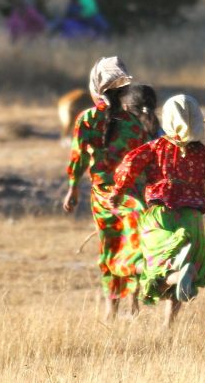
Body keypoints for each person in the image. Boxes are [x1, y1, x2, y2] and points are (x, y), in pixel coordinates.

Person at [110, 94, 205, 327]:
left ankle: (176, 276)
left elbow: (129, 164)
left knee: (154, 266)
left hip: (160, 215)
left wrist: (118, 191)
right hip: (191, 217)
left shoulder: (155, 147)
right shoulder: (203, 153)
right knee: (188, 261)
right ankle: (169, 323)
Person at [62, 57, 151, 320]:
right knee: (134, 247)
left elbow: (78, 157)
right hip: (133, 195)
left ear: (95, 87)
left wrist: (73, 189)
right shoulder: (134, 123)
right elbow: (144, 161)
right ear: (124, 91)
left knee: (111, 248)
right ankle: (134, 306)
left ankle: (111, 311)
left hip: (102, 196)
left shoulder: (87, 119)